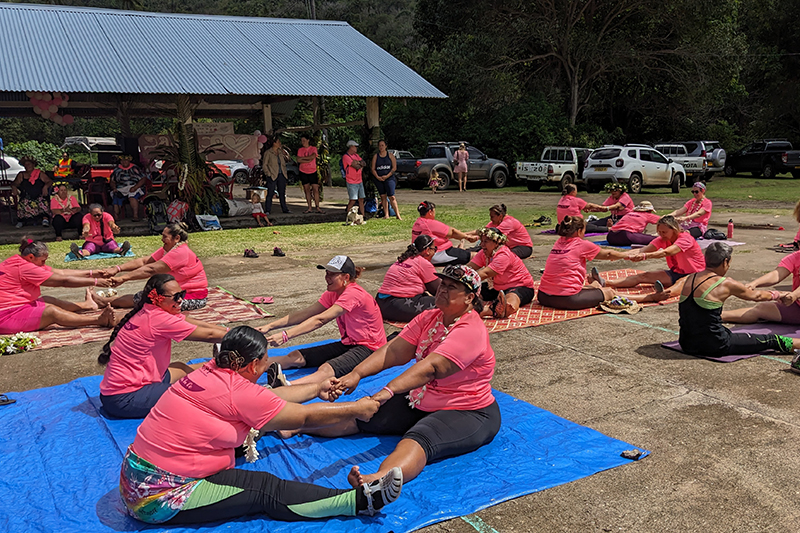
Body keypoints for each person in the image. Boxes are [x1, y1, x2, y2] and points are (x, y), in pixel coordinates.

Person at [119, 325, 402, 525]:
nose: (268, 366)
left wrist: (317, 387)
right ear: (253, 364)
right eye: (266, 361)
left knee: (248, 440)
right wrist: (357, 409)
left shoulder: (210, 371)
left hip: (137, 477)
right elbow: (303, 417)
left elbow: (266, 397)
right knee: (265, 489)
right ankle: (362, 502)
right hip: (156, 497)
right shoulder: (238, 392)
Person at [289, 265, 501, 489]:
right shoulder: (430, 317)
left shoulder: (471, 329)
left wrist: (386, 392)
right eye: (442, 285)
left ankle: (376, 483)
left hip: (466, 409)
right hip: (421, 398)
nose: (442, 290)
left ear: (469, 298)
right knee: (362, 414)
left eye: (452, 287)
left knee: (420, 438)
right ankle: (292, 425)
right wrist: (356, 374)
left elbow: (432, 367)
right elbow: (393, 351)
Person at [98, 274, 228, 419]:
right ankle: (223, 372)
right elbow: (209, 335)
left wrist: (233, 332)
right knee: (195, 391)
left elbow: (195, 323)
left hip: (123, 389)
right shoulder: (159, 319)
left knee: (181, 368)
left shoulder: (152, 311)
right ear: (157, 298)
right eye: (176, 296)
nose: (181, 300)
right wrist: (248, 338)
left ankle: (221, 364)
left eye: (182, 294)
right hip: (124, 399)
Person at [258, 255, 386, 386]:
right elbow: (307, 313)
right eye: (327, 273)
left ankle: (287, 386)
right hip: (349, 343)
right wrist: (269, 326)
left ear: (346, 278)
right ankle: (251, 366)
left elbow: (320, 320)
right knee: (295, 356)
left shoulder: (353, 294)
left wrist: (286, 335)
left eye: (332, 274)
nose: (327, 278)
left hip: (370, 349)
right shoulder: (333, 293)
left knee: (326, 369)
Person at [678, 242, 800, 359]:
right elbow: (757, 296)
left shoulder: (690, 278)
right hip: (715, 345)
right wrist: (777, 294)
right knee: (772, 340)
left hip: (686, 343)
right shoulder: (726, 283)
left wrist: (793, 295)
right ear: (726, 261)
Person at [0, 238, 115, 334]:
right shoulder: (26, 268)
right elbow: (63, 281)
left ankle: (87, 305)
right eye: (43, 261)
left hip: (16, 307)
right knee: (51, 312)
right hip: (5, 316)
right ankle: (98, 320)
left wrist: (92, 273)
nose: (44, 264)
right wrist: (95, 281)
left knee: (47, 300)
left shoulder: (18, 260)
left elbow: (61, 272)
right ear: (31, 257)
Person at [94, 222, 209, 311]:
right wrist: (117, 269)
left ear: (177, 238)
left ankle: (103, 302)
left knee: (147, 301)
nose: (162, 239)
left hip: (192, 296)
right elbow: (145, 261)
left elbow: (151, 269)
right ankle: (104, 302)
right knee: (144, 296)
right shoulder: (170, 248)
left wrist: (123, 278)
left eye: (165, 237)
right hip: (180, 293)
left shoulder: (180, 252)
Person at [591, 215, 705, 301]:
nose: (661, 235)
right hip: (675, 272)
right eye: (659, 232)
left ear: (674, 230)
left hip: (695, 274)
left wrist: (644, 256)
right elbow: (642, 250)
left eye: (664, 232)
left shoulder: (685, 238)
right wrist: (621, 256)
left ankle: (649, 297)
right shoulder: (663, 239)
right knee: (643, 276)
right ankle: (604, 282)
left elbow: (667, 252)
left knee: (680, 284)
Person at [536, 217, 633, 310]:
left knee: (592, 287)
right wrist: (627, 255)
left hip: (543, 296)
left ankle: (596, 284)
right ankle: (645, 298)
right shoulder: (581, 244)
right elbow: (608, 254)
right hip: (567, 299)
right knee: (609, 292)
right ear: (579, 231)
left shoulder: (558, 242)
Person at [467, 228, 535, 318]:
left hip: (520, 286)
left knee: (512, 296)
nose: (481, 244)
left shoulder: (503, 255)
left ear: (497, 243)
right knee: (470, 291)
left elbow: (486, 273)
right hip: (497, 287)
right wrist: (457, 273)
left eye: (486, 241)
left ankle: (493, 310)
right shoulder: (484, 253)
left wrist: (464, 278)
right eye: (481, 241)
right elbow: (469, 268)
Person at [721, 248, 800, 325]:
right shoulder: (795, 257)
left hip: (795, 299)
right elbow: (777, 274)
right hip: (797, 305)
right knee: (761, 308)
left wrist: (795, 295)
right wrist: (754, 284)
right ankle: (717, 316)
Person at [376, 235, 440, 322]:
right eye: (434, 249)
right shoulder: (422, 263)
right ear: (427, 250)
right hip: (398, 306)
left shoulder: (403, 259)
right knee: (445, 302)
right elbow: (437, 290)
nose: (435, 252)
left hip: (381, 303)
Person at [412, 201, 478, 266]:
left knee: (461, 251)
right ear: (430, 212)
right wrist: (468, 237)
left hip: (422, 254)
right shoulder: (429, 223)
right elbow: (452, 232)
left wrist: (465, 235)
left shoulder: (417, 223)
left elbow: (450, 235)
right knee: (475, 256)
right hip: (437, 254)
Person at [12, 155, 52, 228]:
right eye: (25, 165)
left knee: (42, 201)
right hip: (26, 196)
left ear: (33, 165)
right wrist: (14, 187)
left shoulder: (40, 173)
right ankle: (21, 220)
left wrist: (45, 187)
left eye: (29, 164)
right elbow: (15, 183)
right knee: (23, 203)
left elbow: (49, 181)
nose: (27, 166)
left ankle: (45, 219)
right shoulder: (21, 175)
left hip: (39, 195)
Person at [110, 154, 147, 222]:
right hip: (121, 188)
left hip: (134, 187)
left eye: (126, 161)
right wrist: (114, 188)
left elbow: (143, 178)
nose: (124, 162)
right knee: (116, 197)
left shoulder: (135, 168)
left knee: (132, 197)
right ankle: (116, 217)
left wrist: (135, 187)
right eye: (122, 161)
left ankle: (135, 216)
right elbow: (112, 181)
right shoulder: (117, 170)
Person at [371, 140, 401, 220]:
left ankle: (398, 215)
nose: (381, 147)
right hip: (379, 179)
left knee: (391, 196)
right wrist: (378, 177)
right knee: (383, 196)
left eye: (382, 145)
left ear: (386, 146)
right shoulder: (376, 156)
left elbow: (394, 168)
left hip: (389, 178)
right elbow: (373, 169)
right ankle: (386, 214)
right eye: (380, 146)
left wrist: (387, 176)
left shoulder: (390, 155)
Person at [262, 136, 291, 215]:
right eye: (278, 142)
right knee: (270, 193)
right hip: (273, 174)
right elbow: (265, 164)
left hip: (282, 174)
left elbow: (287, 160)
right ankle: (268, 209)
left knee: (282, 193)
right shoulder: (268, 152)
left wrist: (285, 153)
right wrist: (268, 174)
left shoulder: (281, 152)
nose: (279, 143)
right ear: (274, 143)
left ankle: (284, 208)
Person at [297, 134, 323, 214]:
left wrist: (303, 159)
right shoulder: (300, 150)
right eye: (302, 141)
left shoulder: (313, 148)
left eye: (304, 141)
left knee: (315, 189)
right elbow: (298, 159)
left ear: (308, 140)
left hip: (312, 171)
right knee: (306, 189)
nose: (303, 142)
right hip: (303, 171)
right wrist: (307, 160)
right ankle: (309, 207)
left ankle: (317, 206)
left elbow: (312, 157)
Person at [342, 140, 365, 216]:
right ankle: (348, 215)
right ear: (351, 147)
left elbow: (363, 163)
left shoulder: (356, 155)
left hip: (359, 180)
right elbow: (356, 166)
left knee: (361, 199)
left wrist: (358, 162)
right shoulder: (346, 157)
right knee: (353, 200)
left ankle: (362, 215)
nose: (356, 148)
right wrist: (358, 163)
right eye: (355, 146)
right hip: (351, 181)